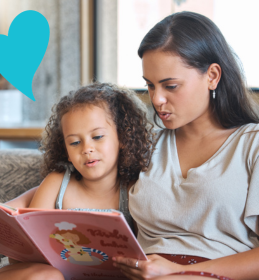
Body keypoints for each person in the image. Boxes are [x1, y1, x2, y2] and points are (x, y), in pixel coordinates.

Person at [113, 11, 259, 280]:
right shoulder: (146, 143)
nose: (156, 99)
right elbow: (82, 180)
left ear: (212, 76)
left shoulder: (253, 145)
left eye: (170, 86)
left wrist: (181, 271)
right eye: (150, 85)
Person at [0, 82, 153, 280]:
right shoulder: (56, 183)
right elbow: (29, 250)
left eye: (97, 136)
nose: (86, 148)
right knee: (48, 275)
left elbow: (143, 257)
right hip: (33, 272)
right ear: (66, 151)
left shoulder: (133, 190)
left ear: (123, 138)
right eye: (75, 142)